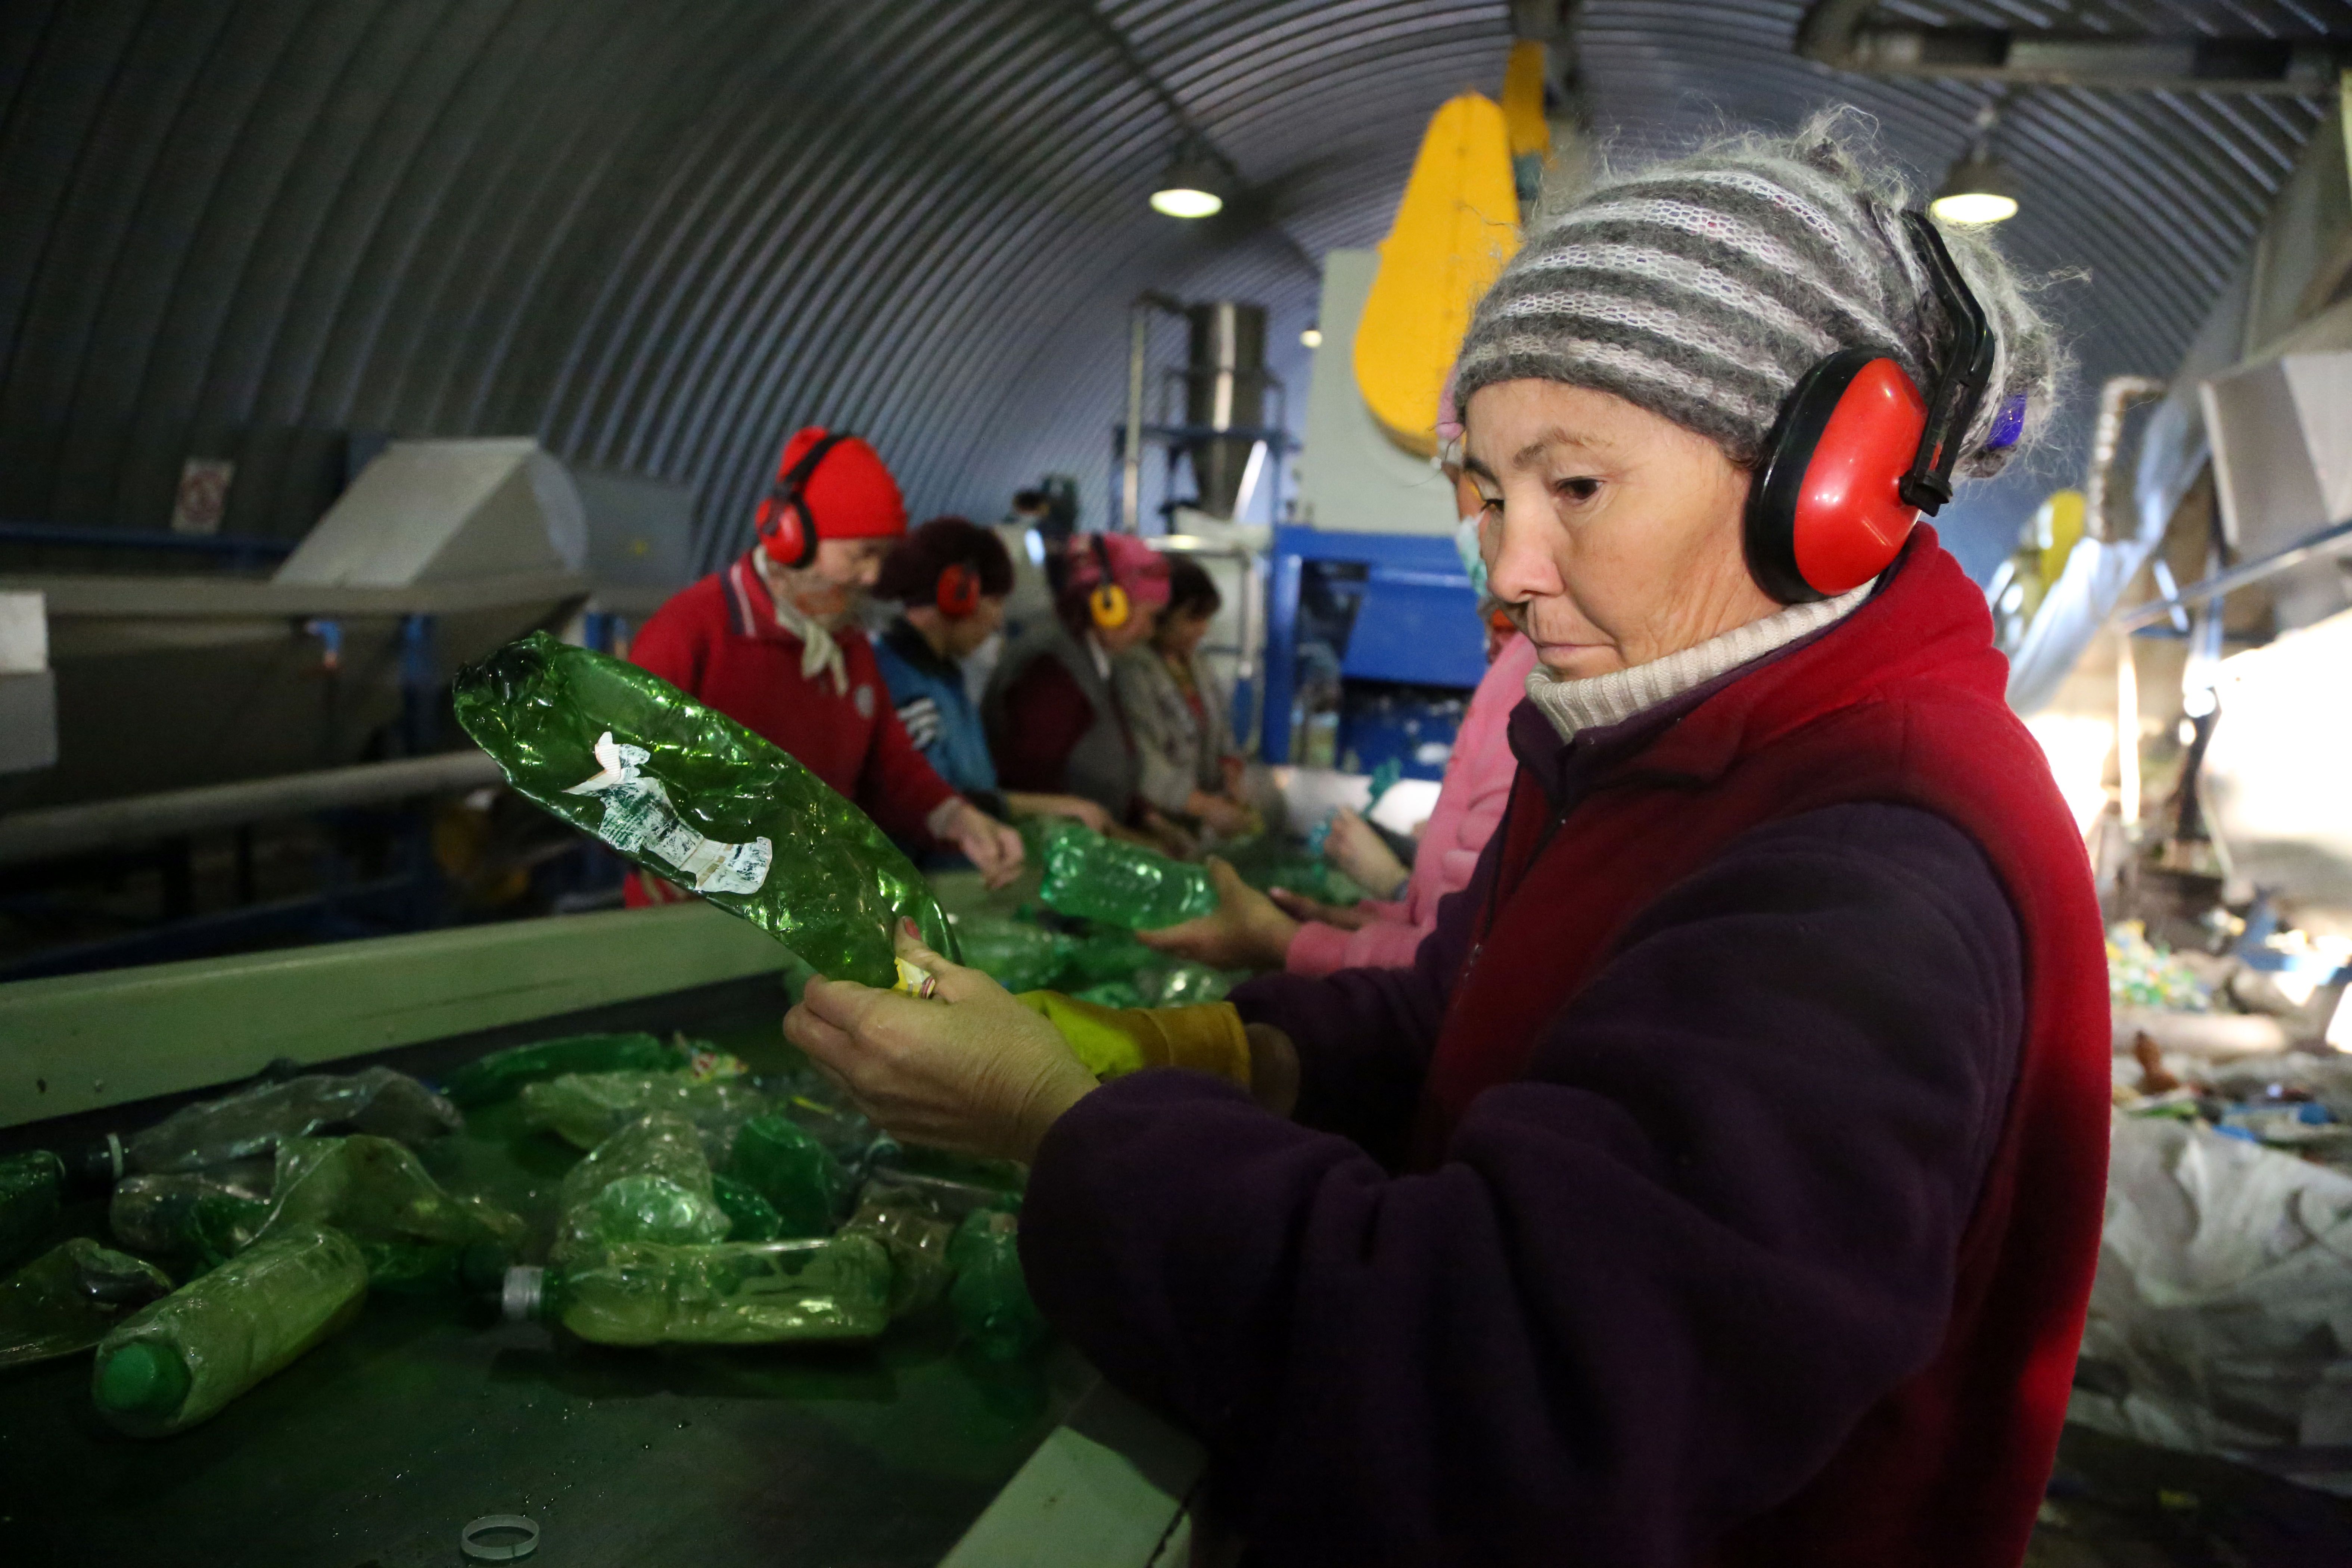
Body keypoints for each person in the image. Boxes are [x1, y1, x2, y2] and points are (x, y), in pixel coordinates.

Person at [784, 119, 2109, 1567]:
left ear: (1828, 487)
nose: (1509, 567)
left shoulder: (1867, 876)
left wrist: (1061, 1125)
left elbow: (1513, 1399)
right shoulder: (1665, 737)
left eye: (1575, 487)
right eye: (1485, 491)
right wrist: (1211, 1054)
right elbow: (1467, 1013)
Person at [627, 427, 1023, 899]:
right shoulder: (691, 634)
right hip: (694, 922)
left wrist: (958, 818)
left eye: (884, 556)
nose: (874, 577)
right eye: (862, 555)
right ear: (791, 537)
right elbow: (618, 782)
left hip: (814, 911)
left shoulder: (848, 646)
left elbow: (891, 766)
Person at [870, 517, 1114, 840]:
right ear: (957, 595)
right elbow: (933, 803)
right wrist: (1052, 806)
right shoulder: (904, 686)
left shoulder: (945, 676)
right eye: (996, 603)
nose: (998, 621)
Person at [983, 532, 1169, 825]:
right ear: (1110, 606)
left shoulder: (1095, 661)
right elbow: (1033, 789)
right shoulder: (1050, 672)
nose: (1150, 632)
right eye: (1149, 616)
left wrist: (1146, 818)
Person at [1113, 557, 1252, 840]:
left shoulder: (1196, 664)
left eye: (1206, 619)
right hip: (1154, 821)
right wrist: (1202, 806)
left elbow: (1220, 725)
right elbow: (1142, 757)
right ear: (1163, 616)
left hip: (1197, 817)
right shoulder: (1132, 669)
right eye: (1193, 619)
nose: (1203, 630)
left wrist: (1230, 769)